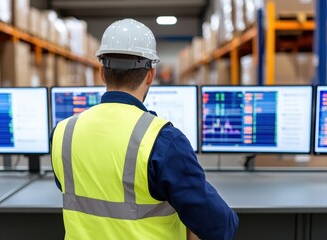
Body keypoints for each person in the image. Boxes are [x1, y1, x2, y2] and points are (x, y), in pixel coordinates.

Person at [51, 18, 239, 240]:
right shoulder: (163, 141)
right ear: (150, 75)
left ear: (102, 73)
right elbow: (220, 226)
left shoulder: (63, 133)